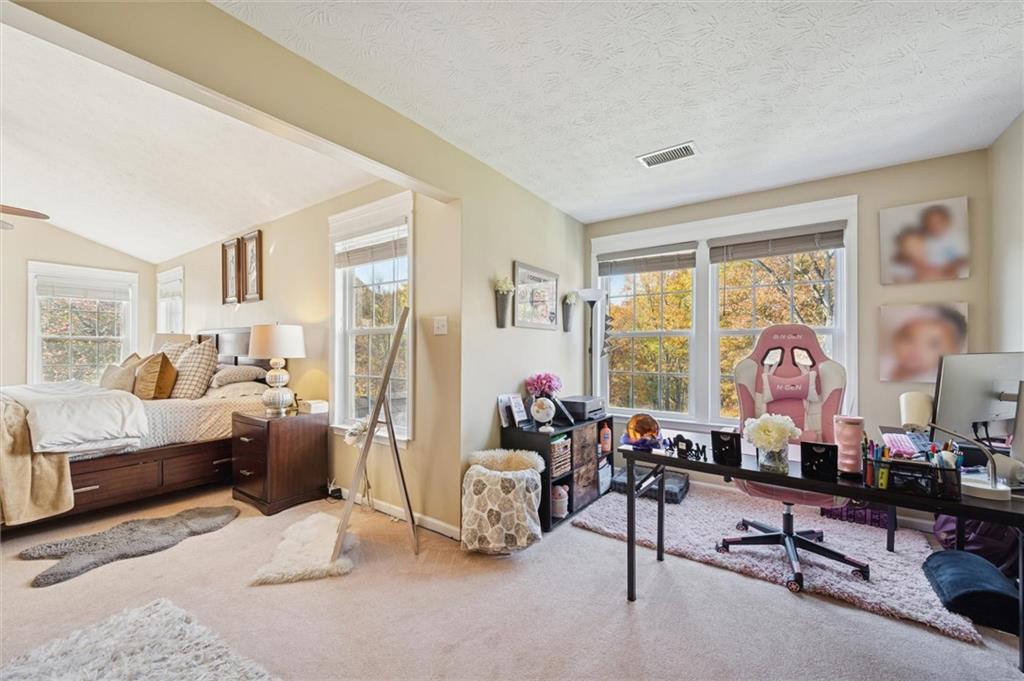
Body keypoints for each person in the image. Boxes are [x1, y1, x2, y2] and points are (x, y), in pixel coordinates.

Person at [884, 305, 968, 382]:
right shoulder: (884, 365)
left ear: (952, 351)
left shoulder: (933, 381)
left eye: (933, 345)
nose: (916, 349)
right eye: (909, 339)